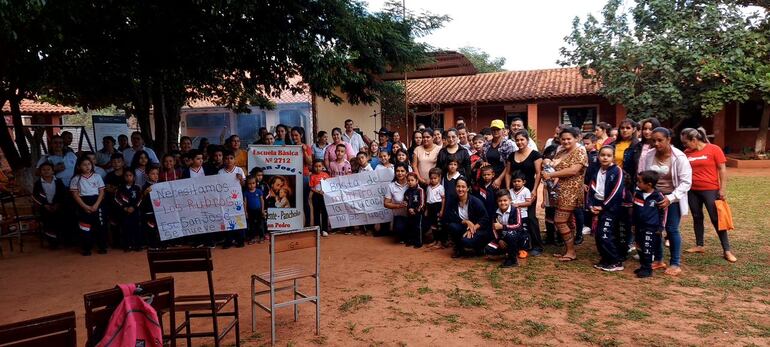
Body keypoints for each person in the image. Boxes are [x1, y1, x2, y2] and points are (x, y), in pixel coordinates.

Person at [638, 127, 692, 276]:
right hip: (654, 198)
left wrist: (671, 198)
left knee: (672, 228)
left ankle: (675, 263)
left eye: (660, 140)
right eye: (653, 140)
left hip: (672, 198)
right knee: (655, 229)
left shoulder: (679, 157)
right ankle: (659, 259)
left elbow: (686, 182)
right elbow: (643, 175)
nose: (656, 143)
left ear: (669, 139)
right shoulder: (649, 155)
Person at [680, 128, 736, 262]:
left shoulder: (714, 149)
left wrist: (722, 189)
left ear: (694, 140)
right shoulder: (686, 153)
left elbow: (722, 169)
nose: (685, 146)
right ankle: (699, 245)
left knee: (716, 219)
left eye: (685, 142)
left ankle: (727, 250)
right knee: (697, 216)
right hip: (692, 190)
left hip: (710, 189)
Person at [541, 127, 588, 262]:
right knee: (567, 221)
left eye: (569, 139)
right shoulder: (560, 150)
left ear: (576, 138)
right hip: (559, 191)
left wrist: (550, 174)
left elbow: (573, 170)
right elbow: (553, 163)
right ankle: (568, 250)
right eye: (563, 139)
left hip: (571, 191)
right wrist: (548, 164)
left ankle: (571, 251)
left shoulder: (580, 151)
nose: (566, 141)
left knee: (559, 220)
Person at [586, 146, 628, 272]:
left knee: (605, 234)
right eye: (602, 155)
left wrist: (603, 206)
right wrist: (590, 205)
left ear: (613, 158)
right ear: (598, 156)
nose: (605, 157)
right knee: (598, 234)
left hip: (610, 207)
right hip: (598, 205)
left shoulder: (617, 171)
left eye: (608, 155)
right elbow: (591, 188)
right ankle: (605, 258)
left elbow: (616, 191)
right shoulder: (597, 170)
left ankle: (616, 261)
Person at [444, 177, 490, 258]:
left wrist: (473, 228)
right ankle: (459, 249)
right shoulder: (453, 200)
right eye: (458, 186)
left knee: (466, 241)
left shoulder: (475, 201)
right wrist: (466, 221)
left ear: (468, 188)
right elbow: (449, 216)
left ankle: (479, 248)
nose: (460, 189)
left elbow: (485, 218)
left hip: (478, 228)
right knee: (452, 226)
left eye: (463, 187)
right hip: (464, 226)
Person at [633, 170, 667, 278]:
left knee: (647, 247)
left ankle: (648, 269)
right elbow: (634, 210)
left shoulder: (658, 196)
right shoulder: (637, 194)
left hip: (651, 227)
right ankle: (643, 266)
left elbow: (664, 212)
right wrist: (633, 224)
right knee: (639, 247)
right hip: (639, 226)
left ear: (649, 184)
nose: (637, 184)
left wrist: (661, 227)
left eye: (639, 182)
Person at [70, 156, 107, 256]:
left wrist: (96, 205)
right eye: (84, 165)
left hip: (97, 202)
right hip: (83, 202)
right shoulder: (76, 179)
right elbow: (75, 195)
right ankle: (86, 248)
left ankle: (102, 246)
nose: (87, 166)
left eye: (89, 164)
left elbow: (102, 192)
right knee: (85, 227)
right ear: (78, 167)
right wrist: (85, 207)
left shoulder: (97, 176)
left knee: (100, 226)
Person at [489, 190, 529, 268]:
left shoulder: (515, 210)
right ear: (497, 201)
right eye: (500, 201)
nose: (503, 203)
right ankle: (508, 252)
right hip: (503, 238)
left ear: (510, 200)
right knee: (489, 249)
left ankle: (513, 260)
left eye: (505, 200)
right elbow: (494, 228)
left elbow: (519, 225)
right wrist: (499, 240)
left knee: (511, 234)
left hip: (517, 236)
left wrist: (503, 227)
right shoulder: (495, 212)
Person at [32, 162, 68, 247]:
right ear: (40, 172)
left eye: (48, 169)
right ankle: (53, 242)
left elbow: (62, 194)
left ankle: (63, 239)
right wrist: (45, 205)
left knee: (62, 218)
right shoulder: (38, 183)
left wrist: (57, 204)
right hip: (45, 207)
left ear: (53, 171)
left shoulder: (58, 181)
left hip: (58, 206)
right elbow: (36, 196)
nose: (46, 171)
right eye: (43, 170)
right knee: (48, 221)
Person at [114, 170, 143, 252]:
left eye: (130, 175)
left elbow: (140, 199)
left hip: (135, 211)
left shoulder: (137, 187)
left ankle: (137, 245)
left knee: (136, 228)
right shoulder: (120, 188)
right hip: (124, 212)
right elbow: (116, 199)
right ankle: (127, 245)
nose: (128, 177)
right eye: (126, 175)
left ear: (134, 177)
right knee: (125, 228)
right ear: (124, 177)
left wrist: (134, 207)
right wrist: (124, 207)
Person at [384, 163, 410, 241]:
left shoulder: (412, 183)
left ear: (407, 172)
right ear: (395, 172)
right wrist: (399, 206)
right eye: (397, 171)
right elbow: (386, 203)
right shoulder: (391, 186)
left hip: (413, 215)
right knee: (399, 229)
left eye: (402, 171)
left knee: (424, 225)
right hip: (400, 216)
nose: (400, 173)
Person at [508, 172, 532, 256]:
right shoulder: (510, 191)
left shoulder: (526, 190)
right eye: (514, 181)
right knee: (514, 232)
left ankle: (524, 249)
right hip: (513, 216)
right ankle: (515, 248)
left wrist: (518, 205)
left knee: (524, 232)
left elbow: (529, 203)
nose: (516, 183)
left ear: (524, 182)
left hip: (523, 215)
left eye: (519, 181)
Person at [308, 160, 330, 237]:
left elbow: (329, 184)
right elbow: (311, 187)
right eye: (316, 166)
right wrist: (318, 191)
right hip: (316, 196)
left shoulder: (326, 175)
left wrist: (324, 191)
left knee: (324, 212)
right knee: (316, 212)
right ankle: (317, 230)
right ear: (313, 167)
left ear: (323, 167)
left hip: (324, 196)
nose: (317, 168)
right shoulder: (312, 176)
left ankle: (325, 230)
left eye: (319, 166)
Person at [425, 168, 446, 249]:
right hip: (430, 207)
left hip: (437, 206)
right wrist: (426, 209)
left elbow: (443, 199)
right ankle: (435, 240)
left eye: (435, 178)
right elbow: (427, 198)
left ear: (439, 178)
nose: (433, 180)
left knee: (438, 225)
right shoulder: (428, 187)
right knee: (433, 225)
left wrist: (441, 210)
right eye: (431, 178)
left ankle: (440, 242)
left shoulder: (440, 187)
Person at [403, 172, 426, 248]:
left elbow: (422, 203)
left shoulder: (420, 190)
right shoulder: (407, 191)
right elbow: (405, 201)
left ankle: (418, 242)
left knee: (418, 227)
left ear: (417, 181)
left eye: (412, 180)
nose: (410, 182)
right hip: (409, 212)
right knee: (410, 226)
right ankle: (411, 240)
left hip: (418, 213)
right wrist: (407, 206)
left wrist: (415, 210)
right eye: (408, 180)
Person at [244, 175, 267, 243]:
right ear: (247, 184)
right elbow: (245, 203)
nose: (251, 185)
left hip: (259, 210)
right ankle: (252, 238)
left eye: (253, 183)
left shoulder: (259, 191)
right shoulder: (246, 193)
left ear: (256, 183)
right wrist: (246, 212)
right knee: (251, 225)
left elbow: (262, 201)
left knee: (260, 224)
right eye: (249, 184)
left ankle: (262, 237)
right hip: (250, 211)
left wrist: (262, 210)